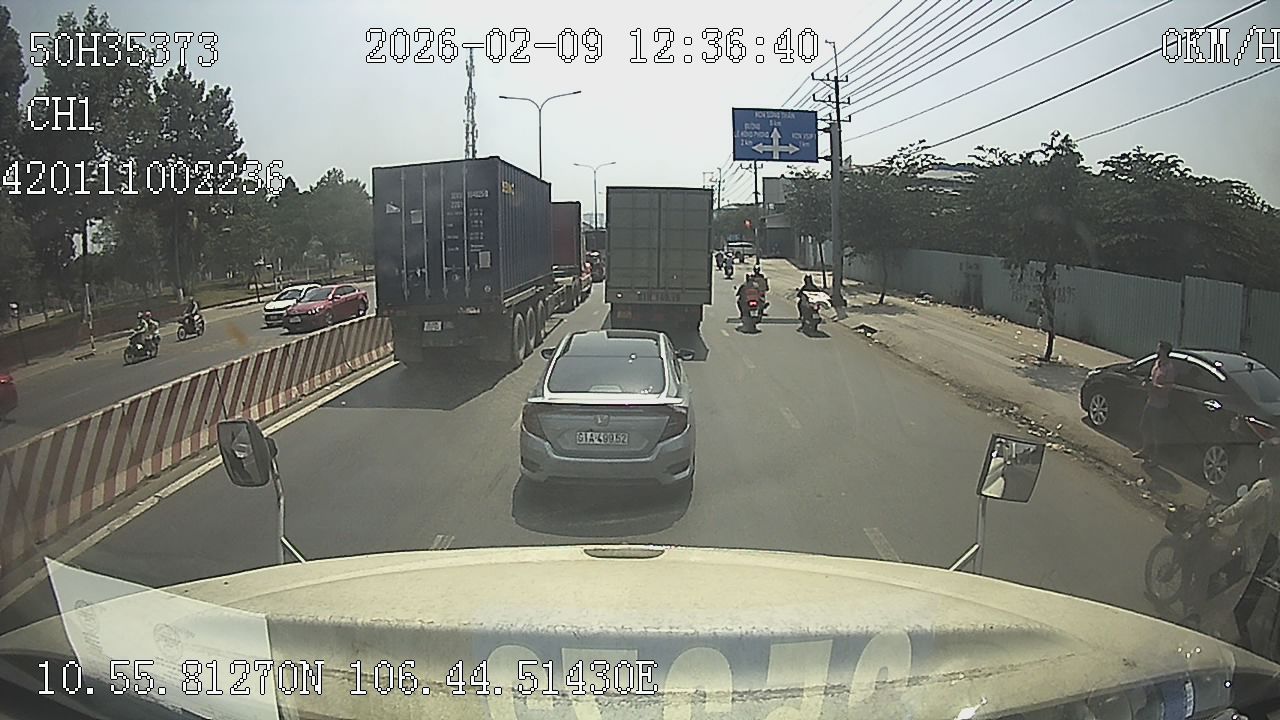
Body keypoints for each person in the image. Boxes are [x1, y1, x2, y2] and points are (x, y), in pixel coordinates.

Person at [1214, 437, 1280, 647]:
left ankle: (1220, 633)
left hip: (1251, 553)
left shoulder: (1264, 488)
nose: (1261, 460)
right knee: (1247, 606)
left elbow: (1238, 511)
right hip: (1270, 560)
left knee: (1217, 580)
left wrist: (1216, 520)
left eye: (1264, 457)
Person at [1136, 340, 1177, 465]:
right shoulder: (1157, 363)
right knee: (1144, 426)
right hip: (1151, 401)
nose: (1157, 351)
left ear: (1164, 351)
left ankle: (1156, 457)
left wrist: (1154, 387)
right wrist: (1147, 383)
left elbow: (1168, 388)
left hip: (1160, 405)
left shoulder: (1169, 368)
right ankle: (1145, 450)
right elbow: (1151, 378)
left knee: (1157, 433)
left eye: (1159, 349)